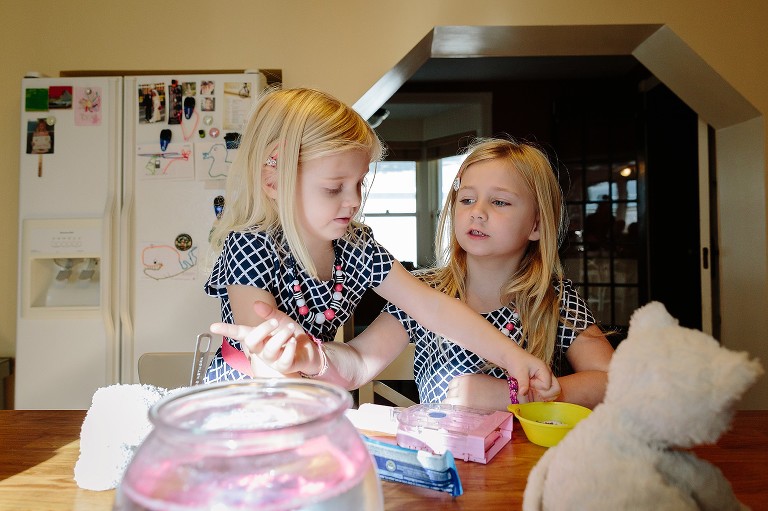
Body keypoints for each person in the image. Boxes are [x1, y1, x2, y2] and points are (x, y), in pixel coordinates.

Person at [202, 87, 559, 402]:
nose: (353, 200)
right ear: (274, 182)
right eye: (333, 187)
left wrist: (511, 357)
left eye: (359, 183)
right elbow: (265, 362)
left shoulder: (356, 246)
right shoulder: (250, 246)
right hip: (247, 404)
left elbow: (433, 308)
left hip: (313, 397)